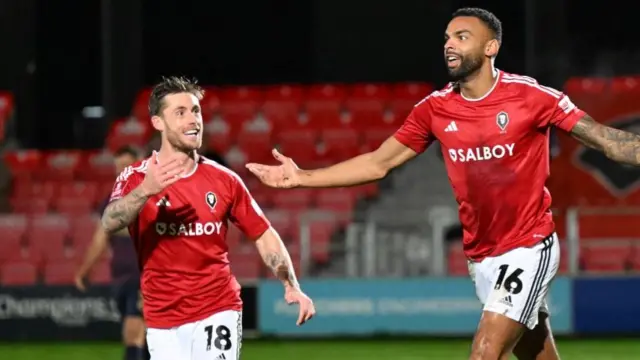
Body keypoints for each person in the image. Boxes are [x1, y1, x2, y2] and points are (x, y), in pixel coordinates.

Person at [246, 7, 640, 360]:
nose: (449, 45)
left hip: (528, 246)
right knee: (536, 354)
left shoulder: (531, 97)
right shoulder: (433, 109)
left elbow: (607, 141)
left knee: (486, 351)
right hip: (481, 257)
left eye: (461, 37)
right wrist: (302, 178)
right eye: (447, 38)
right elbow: (379, 163)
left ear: (491, 47)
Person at [100, 76, 315, 360]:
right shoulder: (136, 178)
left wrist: (291, 284)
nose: (193, 120)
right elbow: (110, 221)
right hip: (162, 319)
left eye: (196, 111)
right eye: (180, 112)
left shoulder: (224, 180)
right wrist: (145, 191)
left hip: (217, 308)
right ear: (158, 122)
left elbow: (263, 233)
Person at [75, 145, 148, 360]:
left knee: (135, 328)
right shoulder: (113, 200)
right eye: (119, 168)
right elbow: (100, 240)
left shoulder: (150, 197)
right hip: (122, 276)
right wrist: (85, 270)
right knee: (137, 328)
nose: (122, 172)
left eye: (127, 166)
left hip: (142, 273)